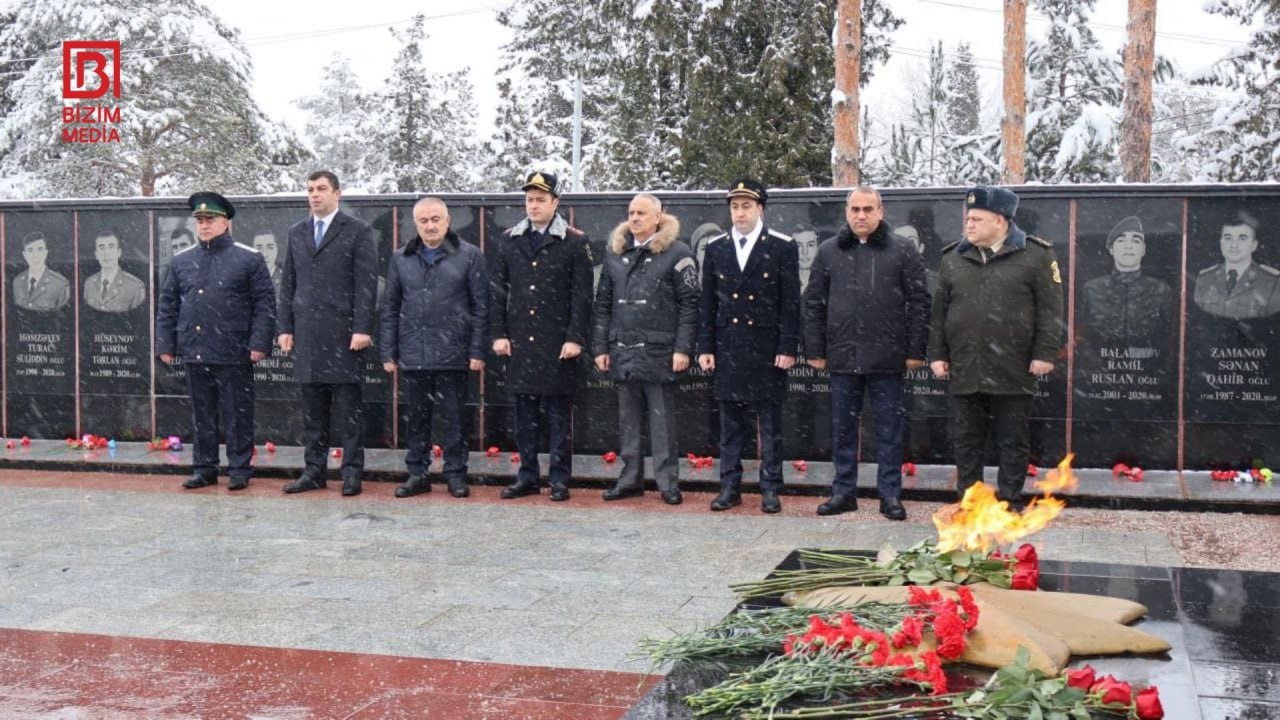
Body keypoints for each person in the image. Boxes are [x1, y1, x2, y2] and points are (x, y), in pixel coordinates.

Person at [927, 186, 1064, 510]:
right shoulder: (953, 258)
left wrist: (1044, 354)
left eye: (977, 219)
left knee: (1012, 438)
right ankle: (970, 500)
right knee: (966, 439)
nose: (969, 225)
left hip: (1013, 365)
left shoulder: (1036, 255)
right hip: (966, 363)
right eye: (967, 219)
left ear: (1000, 221)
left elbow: (1050, 310)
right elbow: (939, 312)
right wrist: (937, 354)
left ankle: (1010, 499)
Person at [802, 186, 929, 521]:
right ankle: (843, 492)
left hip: (888, 357)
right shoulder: (829, 251)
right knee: (843, 428)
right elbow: (813, 302)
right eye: (855, 209)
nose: (861, 215)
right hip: (843, 356)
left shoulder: (902, 250)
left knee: (889, 429)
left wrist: (916, 350)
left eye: (868, 209)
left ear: (880, 212)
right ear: (846, 212)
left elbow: (919, 302)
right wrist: (815, 348)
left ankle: (890, 496)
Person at [157, 192, 275, 491]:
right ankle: (205, 467)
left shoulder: (248, 258)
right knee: (202, 413)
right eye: (200, 220)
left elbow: (264, 304)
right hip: (195, 348)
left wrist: (259, 342)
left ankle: (238, 468)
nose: (204, 225)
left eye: (210, 220)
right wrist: (166, 345)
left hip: (234, 350)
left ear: (226, 222)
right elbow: (168, 304)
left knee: (237, 412)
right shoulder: (183, 260)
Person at [697, 178, 801, 514]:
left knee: (769, 425)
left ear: (760, 209)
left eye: (746, 206)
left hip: (766, 347)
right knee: (730, 425)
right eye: (734, 206)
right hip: (729, 346)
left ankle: (770, 487)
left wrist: (788, 346)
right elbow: (708, 304)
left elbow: (790, 303)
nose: (739, 213)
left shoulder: (782, 246)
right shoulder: (716, 248)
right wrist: (706, 346)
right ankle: (731, 486)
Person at [490, 171, 593, 502]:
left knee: (559, 416)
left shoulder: (574, 241)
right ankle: (528, 476)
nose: (533, 206)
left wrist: (575, 337)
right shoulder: (509, 239)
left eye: (540, 200)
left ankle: (560, 478)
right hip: (521, 341)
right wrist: (499, 334)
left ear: (555, 202)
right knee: (524, 417)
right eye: (529, 200)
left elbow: (581, 296)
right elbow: (497, 291)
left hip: (557, 342)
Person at [591, 193, 700, 505]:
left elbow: (690, 305)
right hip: (622, 349)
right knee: (628, 420)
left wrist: (683, 348)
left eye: (641, 213)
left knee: (662, 420)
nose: (634, 218)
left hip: (660, 351)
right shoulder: (616, 252)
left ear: (658, 216)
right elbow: (603, 304)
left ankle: (667, 483)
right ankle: (630, 479)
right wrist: (600, 346)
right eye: (631, 213)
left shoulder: (677, 252)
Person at [277, 170, 379, 497]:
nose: (314, 195)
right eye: (310, 189)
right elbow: (288, 283)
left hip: (344, 336)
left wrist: (363, 328)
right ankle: (314, 471)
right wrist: (285, 327)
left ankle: (351, 473)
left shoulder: (358, 231)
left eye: (321, 189)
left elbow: (366, 285)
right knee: (313, 415)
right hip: (307, 336)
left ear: (337, 193)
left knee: (349, 413)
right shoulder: (297, 232)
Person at [382, 197, 488, 499]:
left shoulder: (469, 255)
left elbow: (481, 307)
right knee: (416, 419)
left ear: (447, 220)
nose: (430, 226)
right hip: (414, 352)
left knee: (454, 419)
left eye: (435, 219)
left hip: (454, 352)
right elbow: (390, 306)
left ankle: (455, 474)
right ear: (415, 224)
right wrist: (389, 351)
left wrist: (477, 351)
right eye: (423, 221)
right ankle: (418, 473)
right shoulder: (401, 257)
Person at [1080, 216, 1172, 345]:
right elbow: (1080, 332)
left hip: (1150, 360)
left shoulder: (1160, 290)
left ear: (1143, 249)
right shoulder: (1091, 289)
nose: (1128, 247)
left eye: (1135, 241)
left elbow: (1171, 336)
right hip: (1098, 360)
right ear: (1111, 249)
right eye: (1121, 240)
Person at [1193, 211, 1280, 320]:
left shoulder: (1271, 282)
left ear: (1254, 245)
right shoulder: (1204, 279)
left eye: (1242, 238)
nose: (1234, 245)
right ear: (1221, 243)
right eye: (1228, 238)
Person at [83, 231, 146, 313]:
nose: (106, 253)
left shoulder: (135, 286)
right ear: (96, 255)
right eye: (102, 248)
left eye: (111, 247)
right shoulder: (89, 284)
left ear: (119, 253)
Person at [13, 231, 70, 312]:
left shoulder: (60, 284)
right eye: (30, 250)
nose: (35, 255)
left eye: (40, 249)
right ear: (24, 255)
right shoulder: (17, 282)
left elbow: (62, 317)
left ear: (46, 253)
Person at [253, 230, 285, 303]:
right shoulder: (244, 279)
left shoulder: (286, 279)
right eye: (259, 248)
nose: (265, 254)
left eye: (270, 248)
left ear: (277, 250)